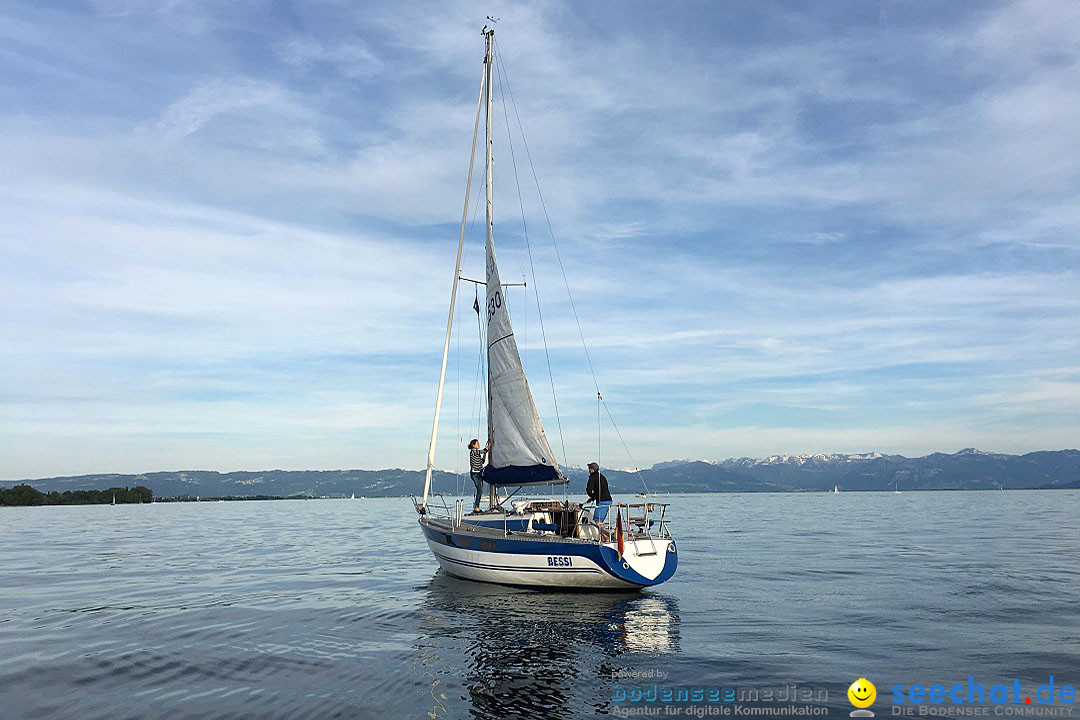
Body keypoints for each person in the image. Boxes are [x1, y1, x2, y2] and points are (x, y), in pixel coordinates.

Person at [468, 439, 490, 512]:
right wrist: (488, 447)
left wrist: (485, 454)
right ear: (473, 445)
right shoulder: (473, 452)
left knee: (480, 491)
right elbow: (482, 451)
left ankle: (477, 506)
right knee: (479, 491)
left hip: (479, 473)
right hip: (475, 474)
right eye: (477, 443)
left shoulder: (477, 454)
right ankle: (476, 507)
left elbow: (482, 462)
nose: (479, 445)